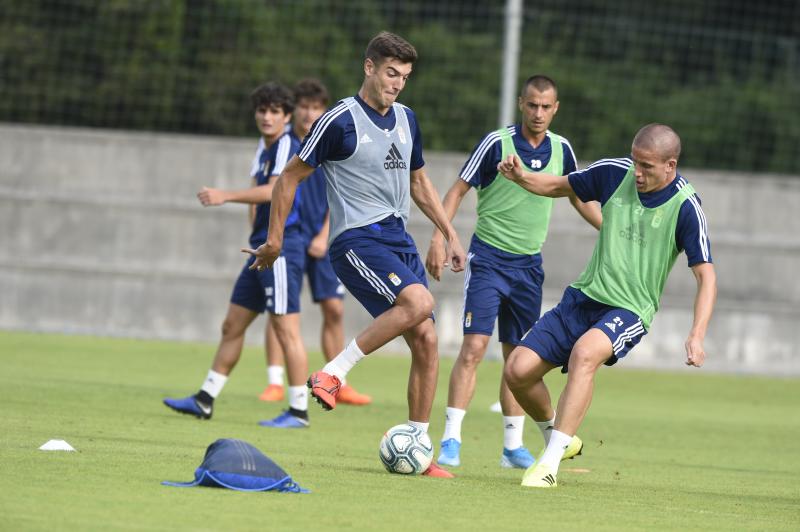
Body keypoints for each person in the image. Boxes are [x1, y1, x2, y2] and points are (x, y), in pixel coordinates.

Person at [244, 31, 467, 478]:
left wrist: (448, 233)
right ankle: (333, 373)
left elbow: (420, 183)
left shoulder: (407, 119)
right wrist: (274, 240)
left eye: (404, 76)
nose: (397, 83)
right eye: (390, 73)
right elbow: (288, 179)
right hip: (356, 242)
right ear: (369, 68)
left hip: (398, 238)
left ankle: (419, 449)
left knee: (426, 340)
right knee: (420, 305)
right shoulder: (339, 121)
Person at [496, 123, 716, 488]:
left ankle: (549, 464)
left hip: (629, 309)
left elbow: (706, 276)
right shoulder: (615, 173)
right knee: (517, 371)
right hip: (583, 297)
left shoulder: (686, 207)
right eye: (635, 162)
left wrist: (697, 334)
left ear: (670, 166)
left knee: (585, 354)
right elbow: (559, 185)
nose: (638, 173)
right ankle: (560, 437)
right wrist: (522, 177)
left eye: (647, 166)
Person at [426, 75, 601, 470]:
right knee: (473, 348)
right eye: (532, 105)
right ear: (521, 103)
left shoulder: (562, 149)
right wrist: (441, 238)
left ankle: (512, 447)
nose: (538, 113)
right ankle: (451, 439)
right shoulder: (496, 143)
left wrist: (608, 230)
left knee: (518, 358)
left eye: (546, 106)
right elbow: (456, 192)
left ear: (556, 109)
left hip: (529, 267)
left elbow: (575, 194)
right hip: (488, 260)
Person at [163, 82, 314, 429]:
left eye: (275, 111)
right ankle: (204, 399)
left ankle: (298, 411)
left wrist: (225, 195)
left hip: (281, 247)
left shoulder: (288, 144)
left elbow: (274, 189)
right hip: (260, 246)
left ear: (287, 116)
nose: (267, 116)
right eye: (262, 110)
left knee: (285, 328)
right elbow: (262, 198)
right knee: (232, 325)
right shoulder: (264, 148)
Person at [259, 79, 372, 407]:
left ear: (323, 111)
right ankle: (274, 381)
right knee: (280, 309)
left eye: (316, 108)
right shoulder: (284, 143)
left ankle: (339, 380)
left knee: (333, 309)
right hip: (291, 236)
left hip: (324, 238)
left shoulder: (331, 140)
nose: (309, 113)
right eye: (304, 107)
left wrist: (324, 234)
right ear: (294, 111)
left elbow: (343, 191)